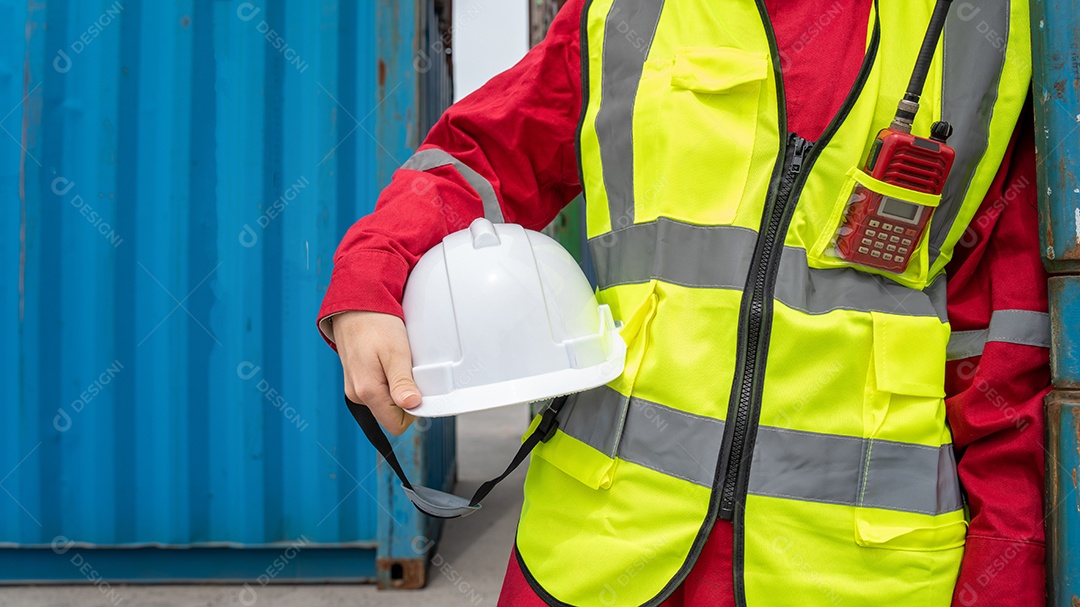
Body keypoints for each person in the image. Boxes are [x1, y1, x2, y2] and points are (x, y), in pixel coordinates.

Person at [317, 1, 1050, 605]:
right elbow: (481, 155)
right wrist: (374, 275)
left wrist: (1004, 581)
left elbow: (1004, 364)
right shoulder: (630, 14)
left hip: (855, 577)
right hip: (601, 557)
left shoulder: (980, 35)